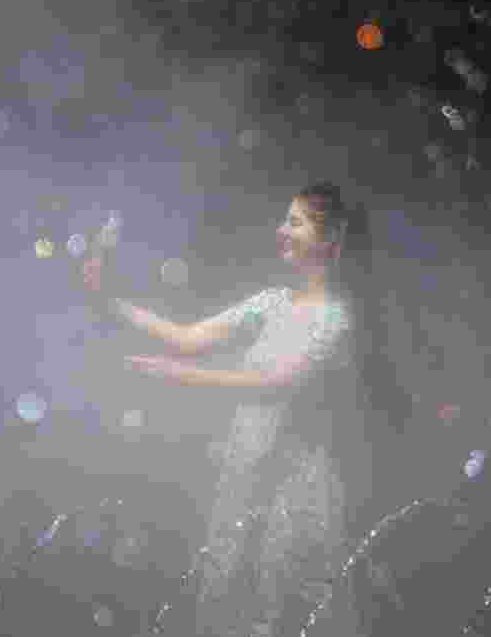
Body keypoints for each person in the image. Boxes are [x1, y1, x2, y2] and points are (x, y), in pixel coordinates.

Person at [83, 181, 363, 637]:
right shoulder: (270, 303)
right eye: (282, 220)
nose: (281, 230)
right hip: (248, 471)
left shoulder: (335, 316)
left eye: (294, 222)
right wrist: (110, 302)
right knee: (229, 597)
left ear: (328, 240)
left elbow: (276, 383)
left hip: (293, 488)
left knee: (277, 605)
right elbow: (187, 337)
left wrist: (181, 376)